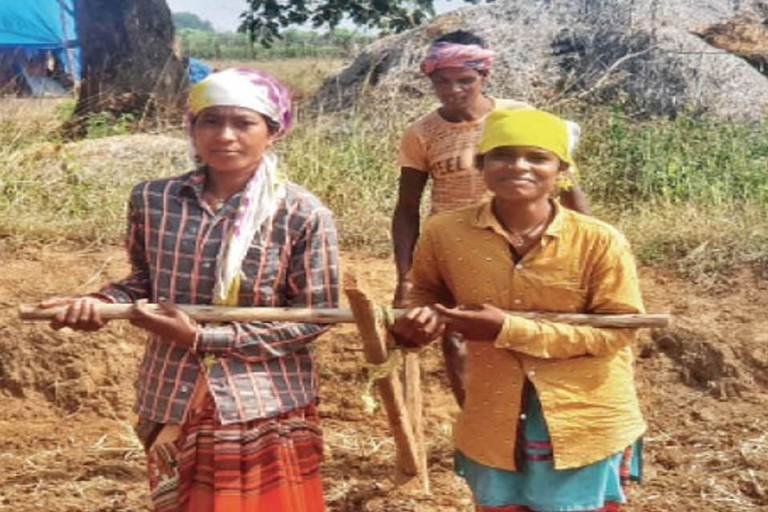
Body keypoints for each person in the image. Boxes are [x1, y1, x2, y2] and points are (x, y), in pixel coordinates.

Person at [38, 68, 339, 512]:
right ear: (192, 128)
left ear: (273, 132)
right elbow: (145, 280)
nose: (225, 135)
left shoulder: (302, 213)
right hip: (172, 391)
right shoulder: (154, 200)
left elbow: (315, 315)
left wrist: (205, 339)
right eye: (210, 121)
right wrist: (98, 304)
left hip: (261, 399)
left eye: (243, 122)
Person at [392, 108, 645, 512]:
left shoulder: (599, 241)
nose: (518, 167)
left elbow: (618, 332)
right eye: (503, 155)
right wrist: (418, 323)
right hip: (492, 414)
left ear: (561, 169)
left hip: (584, 417)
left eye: (537, 157)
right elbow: (424, 293)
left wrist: (508, 329)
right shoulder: (445, 233)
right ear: (481, 165)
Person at [391, 30, 589, 407]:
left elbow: (563, 180)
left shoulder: (518, 116)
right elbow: (406, 209)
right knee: (457, 332)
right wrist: (405, 276)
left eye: (465, 80)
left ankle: (535, 418)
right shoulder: (422, 134)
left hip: (525, 239)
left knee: (533, 325)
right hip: (456, 244)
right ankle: (478, 421)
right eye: (442, 81)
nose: (453, 91)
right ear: (429, 79)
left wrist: (591, 237)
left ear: (484, 77)